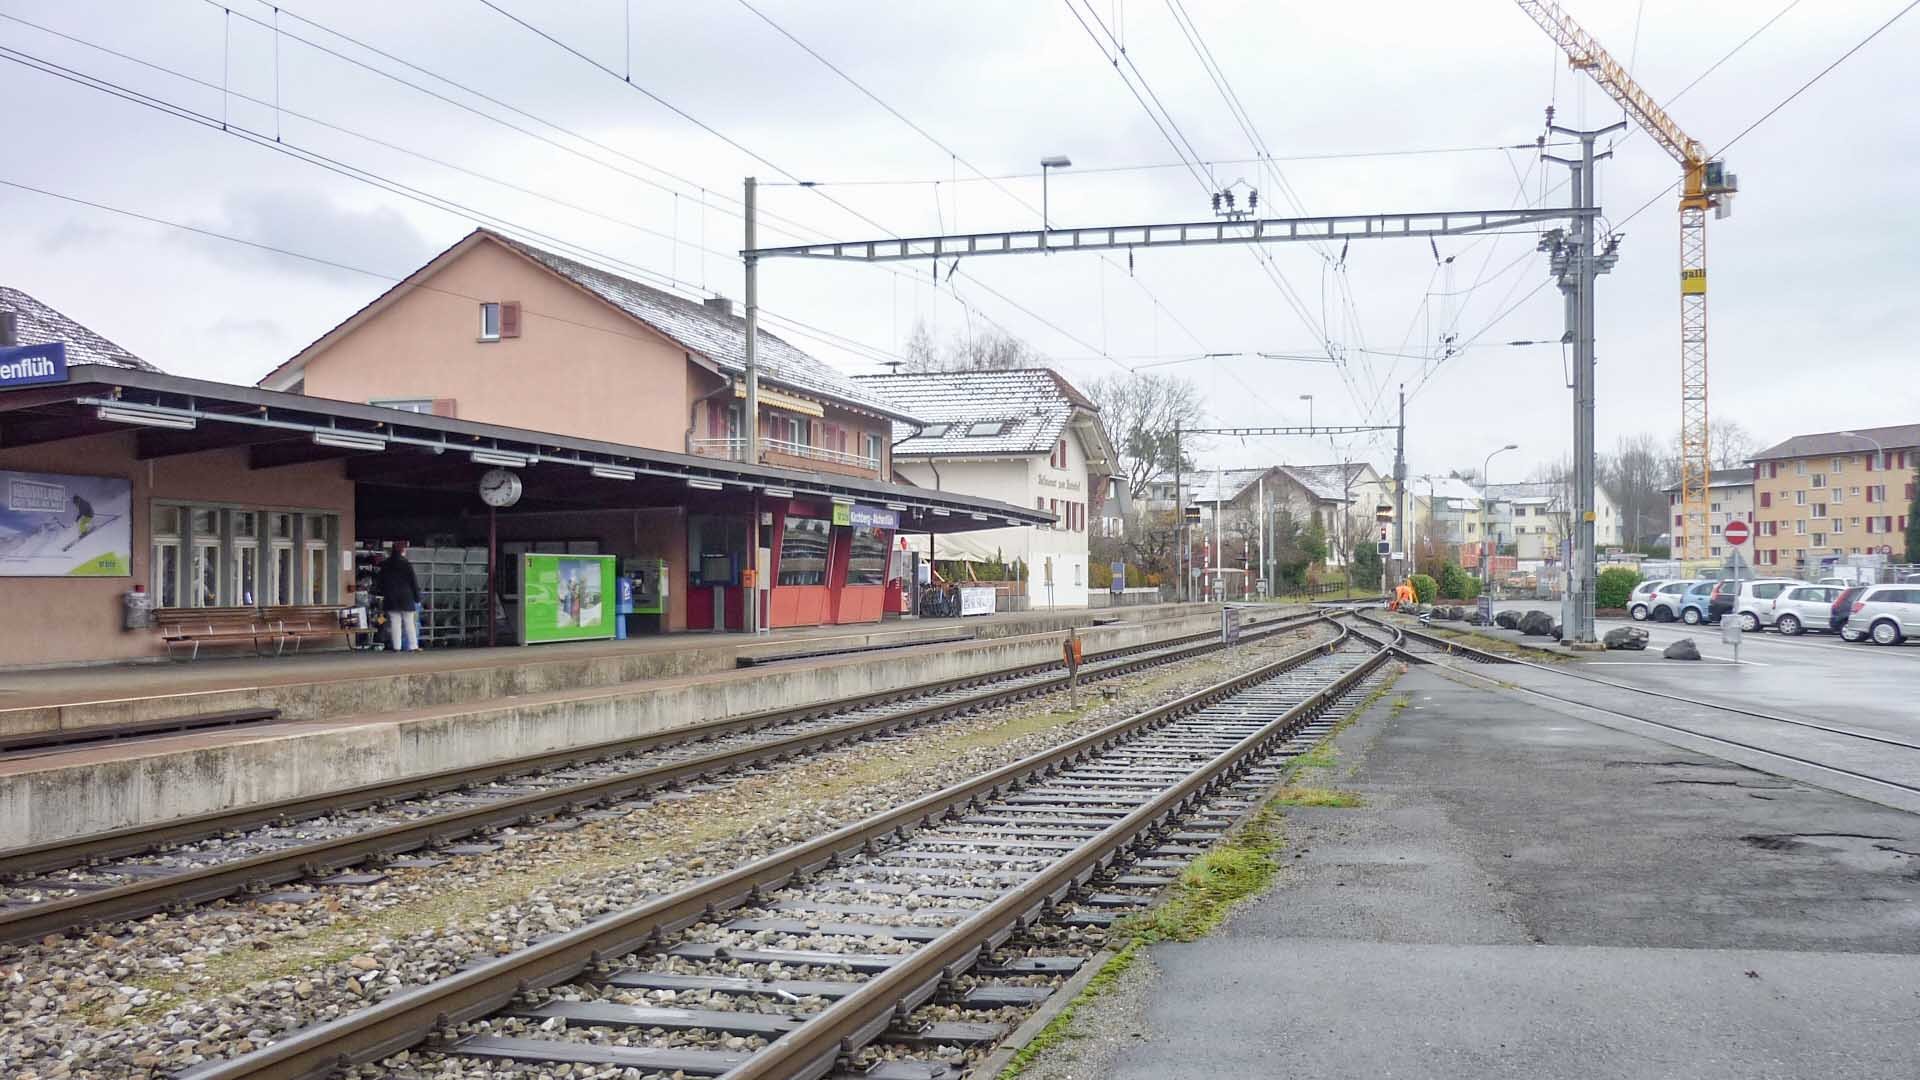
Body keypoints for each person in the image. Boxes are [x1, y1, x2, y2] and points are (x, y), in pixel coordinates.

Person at [377, 541, 422, 652]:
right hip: (406, 597)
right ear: (403, 550)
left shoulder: (385, 564)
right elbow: (413, 582)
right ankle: (413, 646)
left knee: (395, 622)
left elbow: (381, 582)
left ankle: (397, 647)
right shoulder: (406, 564)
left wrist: (383, 593)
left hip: (391, 598)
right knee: (409, 622)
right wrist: (417, 597)